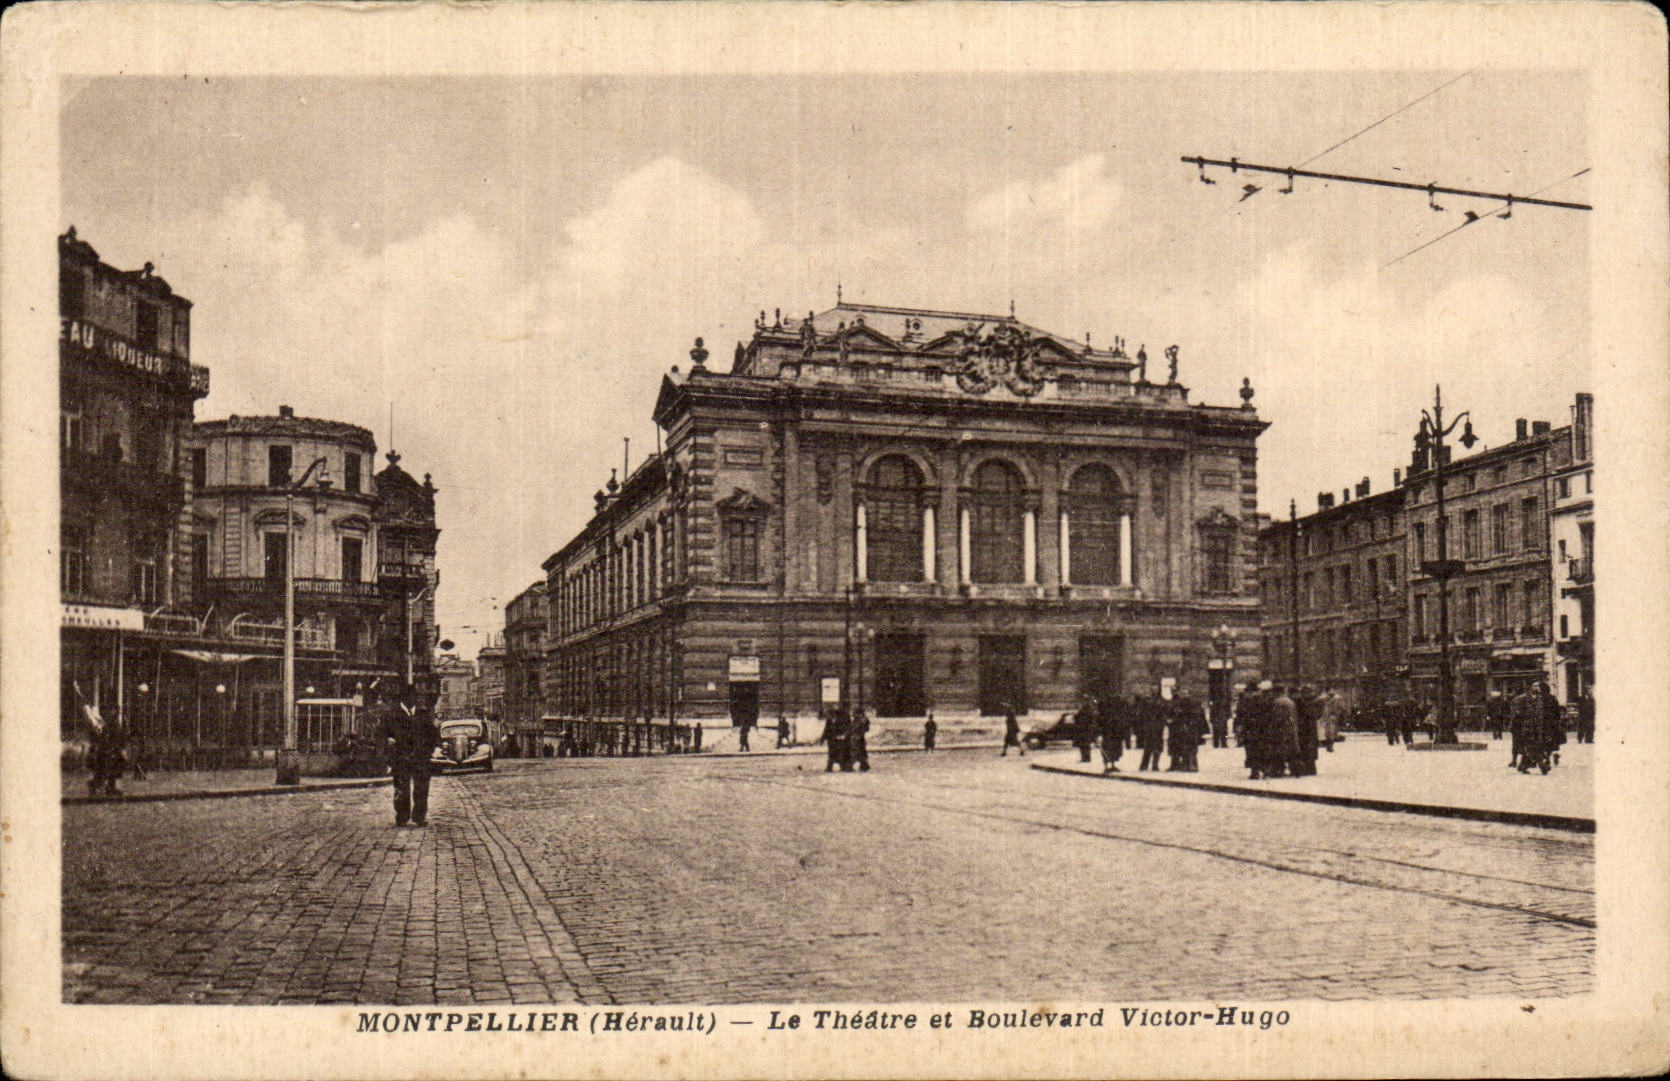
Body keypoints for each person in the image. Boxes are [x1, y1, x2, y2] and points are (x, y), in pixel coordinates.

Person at [378, 699, 441, 827]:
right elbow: (380, 734)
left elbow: (432, 734)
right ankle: (402, 817)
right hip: (400, 758)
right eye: (408, 696)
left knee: (422, 788)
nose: (411, 700)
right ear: (402, 699)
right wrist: (388, 741)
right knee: (401, 788)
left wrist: (428, 751)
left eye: (413, 696)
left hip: (420, 758)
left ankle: (419, 817)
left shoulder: (423, 714)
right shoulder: (392, 714)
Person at [1268, 685, 1298, 779]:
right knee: (1291, 748)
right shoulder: (1290, 701)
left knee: (1278, 748)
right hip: (1291, 727)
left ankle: (1278, 770)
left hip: (1280, 728)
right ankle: (1295, 769)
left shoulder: (1277, 702)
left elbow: (1277, 716)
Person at [1292, 686, 1322, 777]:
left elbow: (1317, 715)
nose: (1307, 694)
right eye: (1305, 693)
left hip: (1309, 728)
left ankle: (1310, 768)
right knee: (1304, 748)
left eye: (1308, 692)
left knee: (1310, 749)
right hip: (1303, 729)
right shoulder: (1300, 702)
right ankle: (1306, 768)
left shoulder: (1313, 702)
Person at [1098, 695, 1126, 773]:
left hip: (1115, 733)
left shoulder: (1117, 713)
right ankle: (1107, 766)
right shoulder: (1105, 714)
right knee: (1108, 749)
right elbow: (1101, 722)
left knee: (1114, 749)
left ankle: (1112, 765)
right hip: (1108, 733)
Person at [818, 707, 848, 772]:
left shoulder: (840, 721)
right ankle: (829, 767)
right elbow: (826, 730)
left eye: (831, 715)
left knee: (840, 754)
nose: (830, 716)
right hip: (831, 741)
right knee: (831, 754)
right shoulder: (829, 721)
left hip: (838, 740)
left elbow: (844, 730)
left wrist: (843, 735)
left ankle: (842, 766)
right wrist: (822, 739)